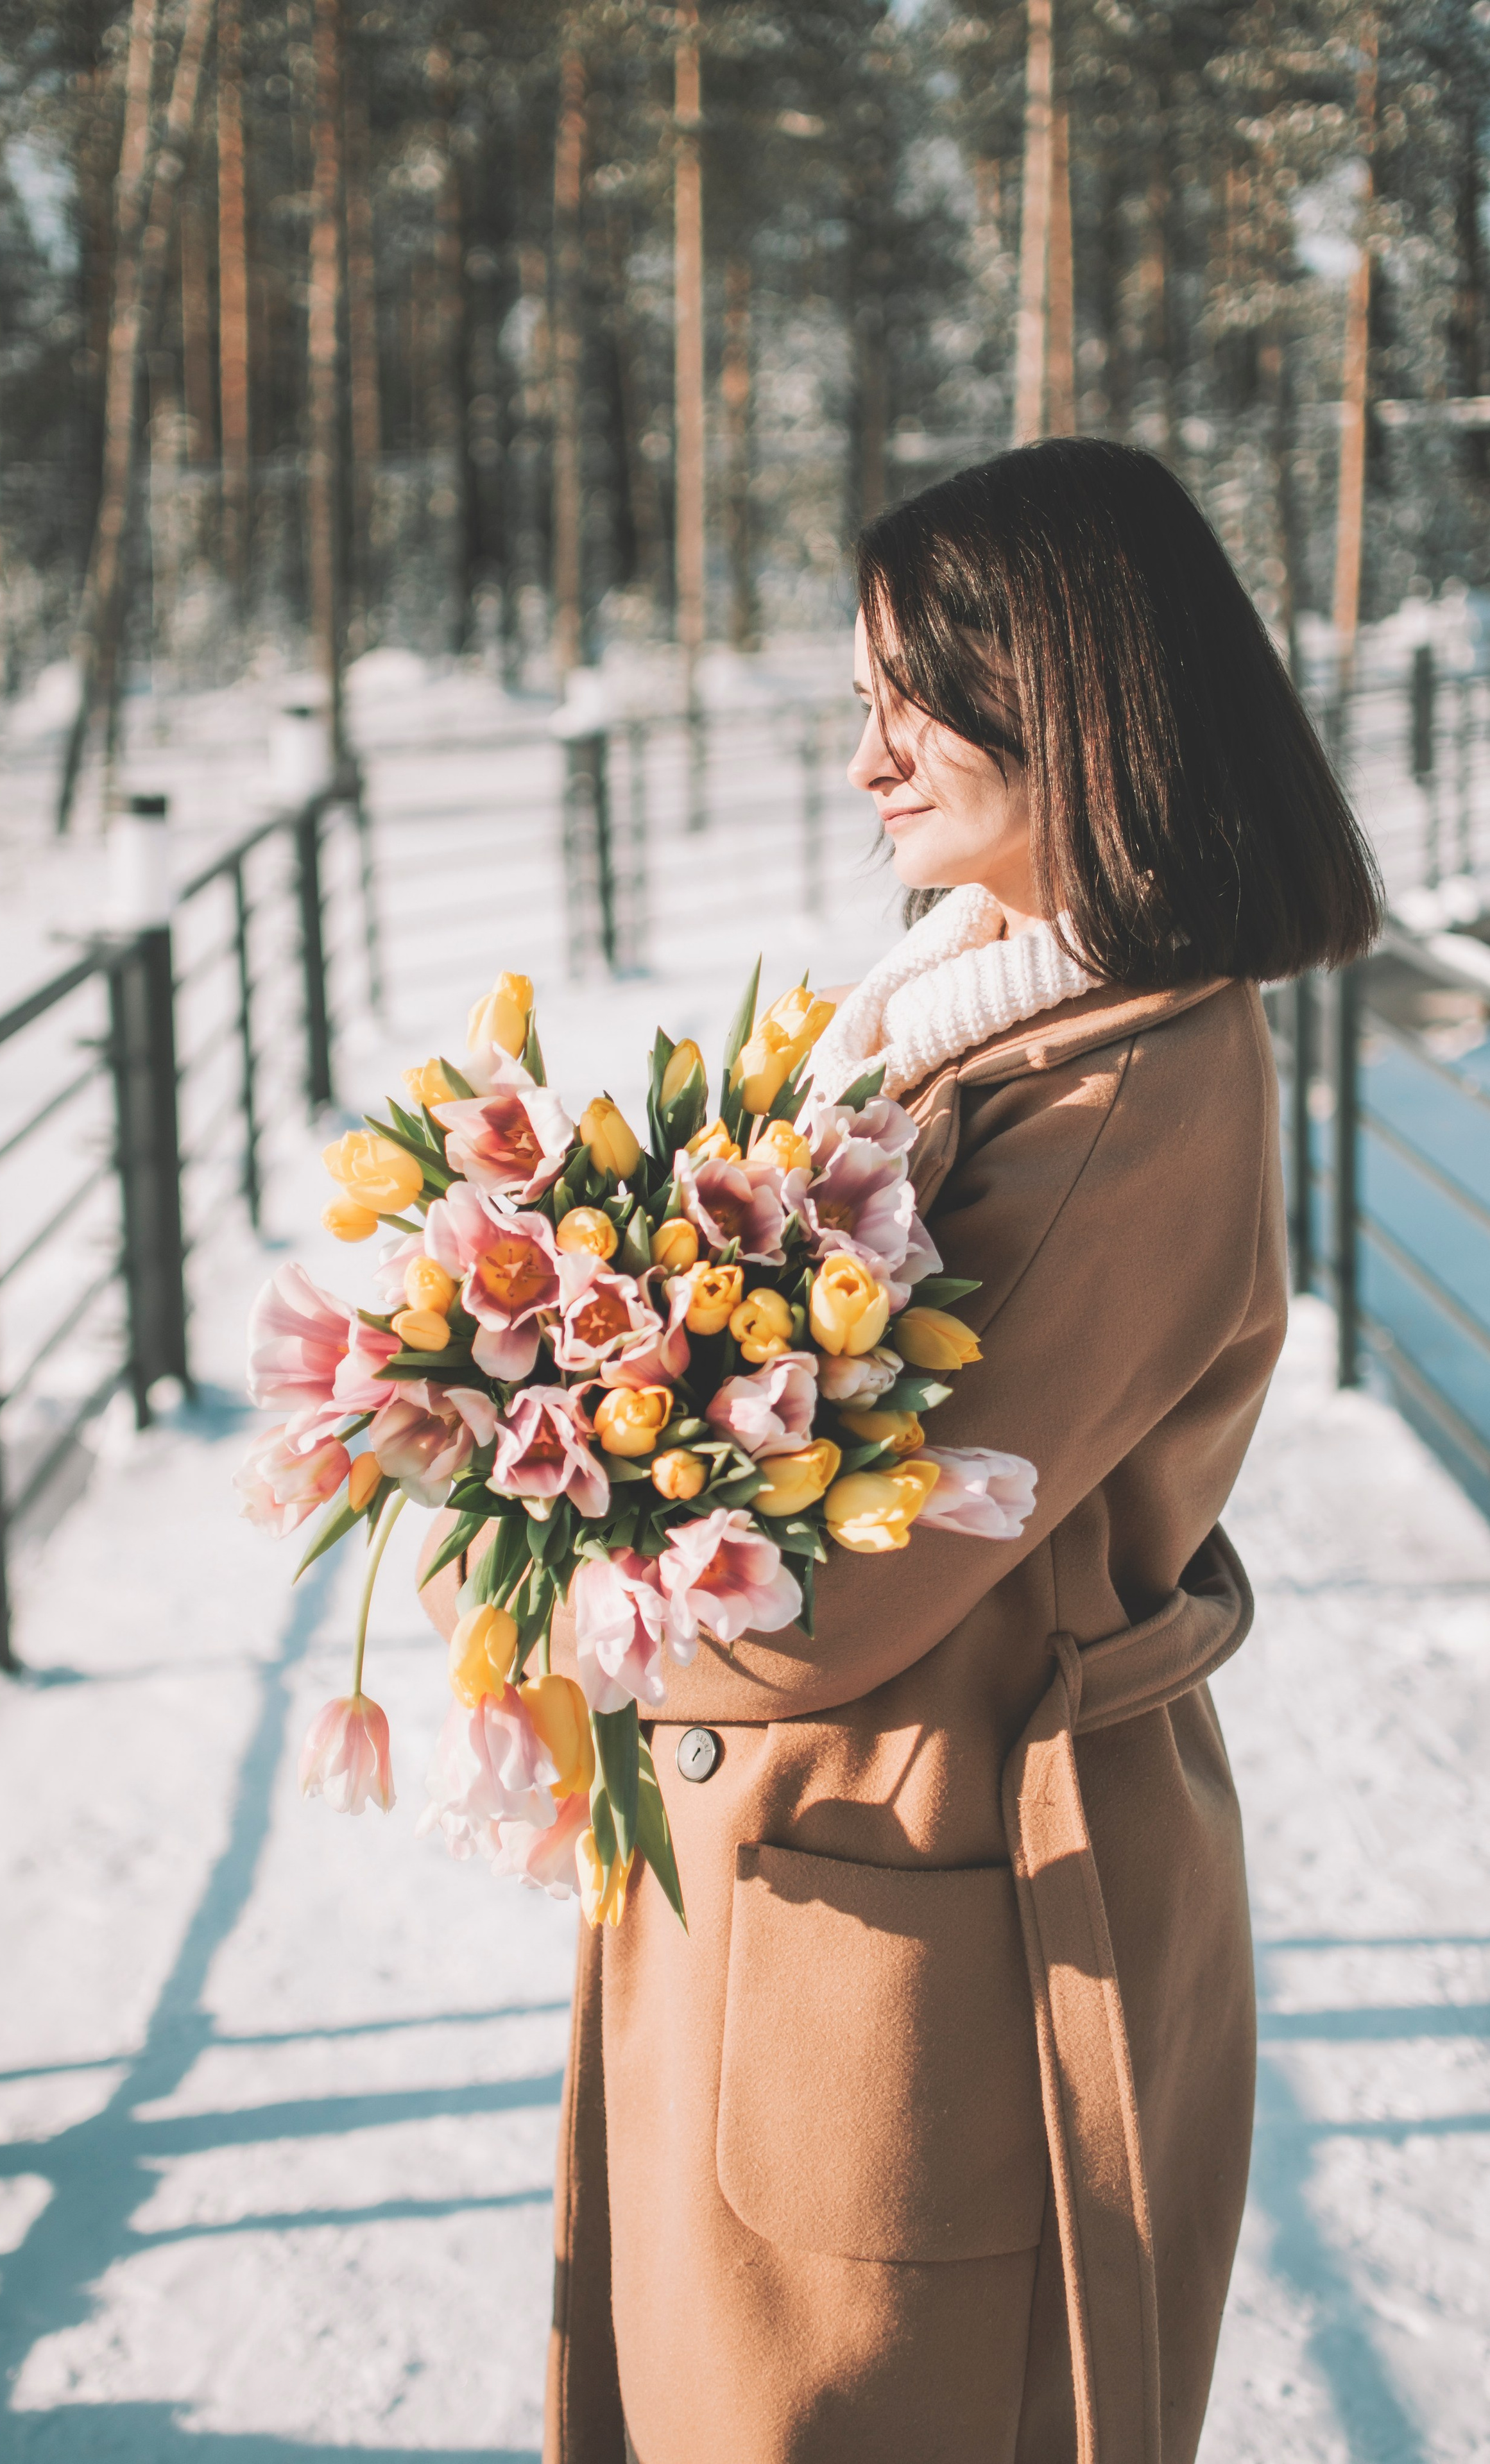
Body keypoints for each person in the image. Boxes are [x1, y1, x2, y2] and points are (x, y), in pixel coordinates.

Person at [451, 438, 1382, 2464]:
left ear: (1075, 690)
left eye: (915, 696)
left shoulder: (1124, 1093)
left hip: (935, 1925)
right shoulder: (956, 1005)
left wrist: (527, 1546)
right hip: (851, 1887)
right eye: (859, 694)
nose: (866, 753)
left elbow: (815, 1609)